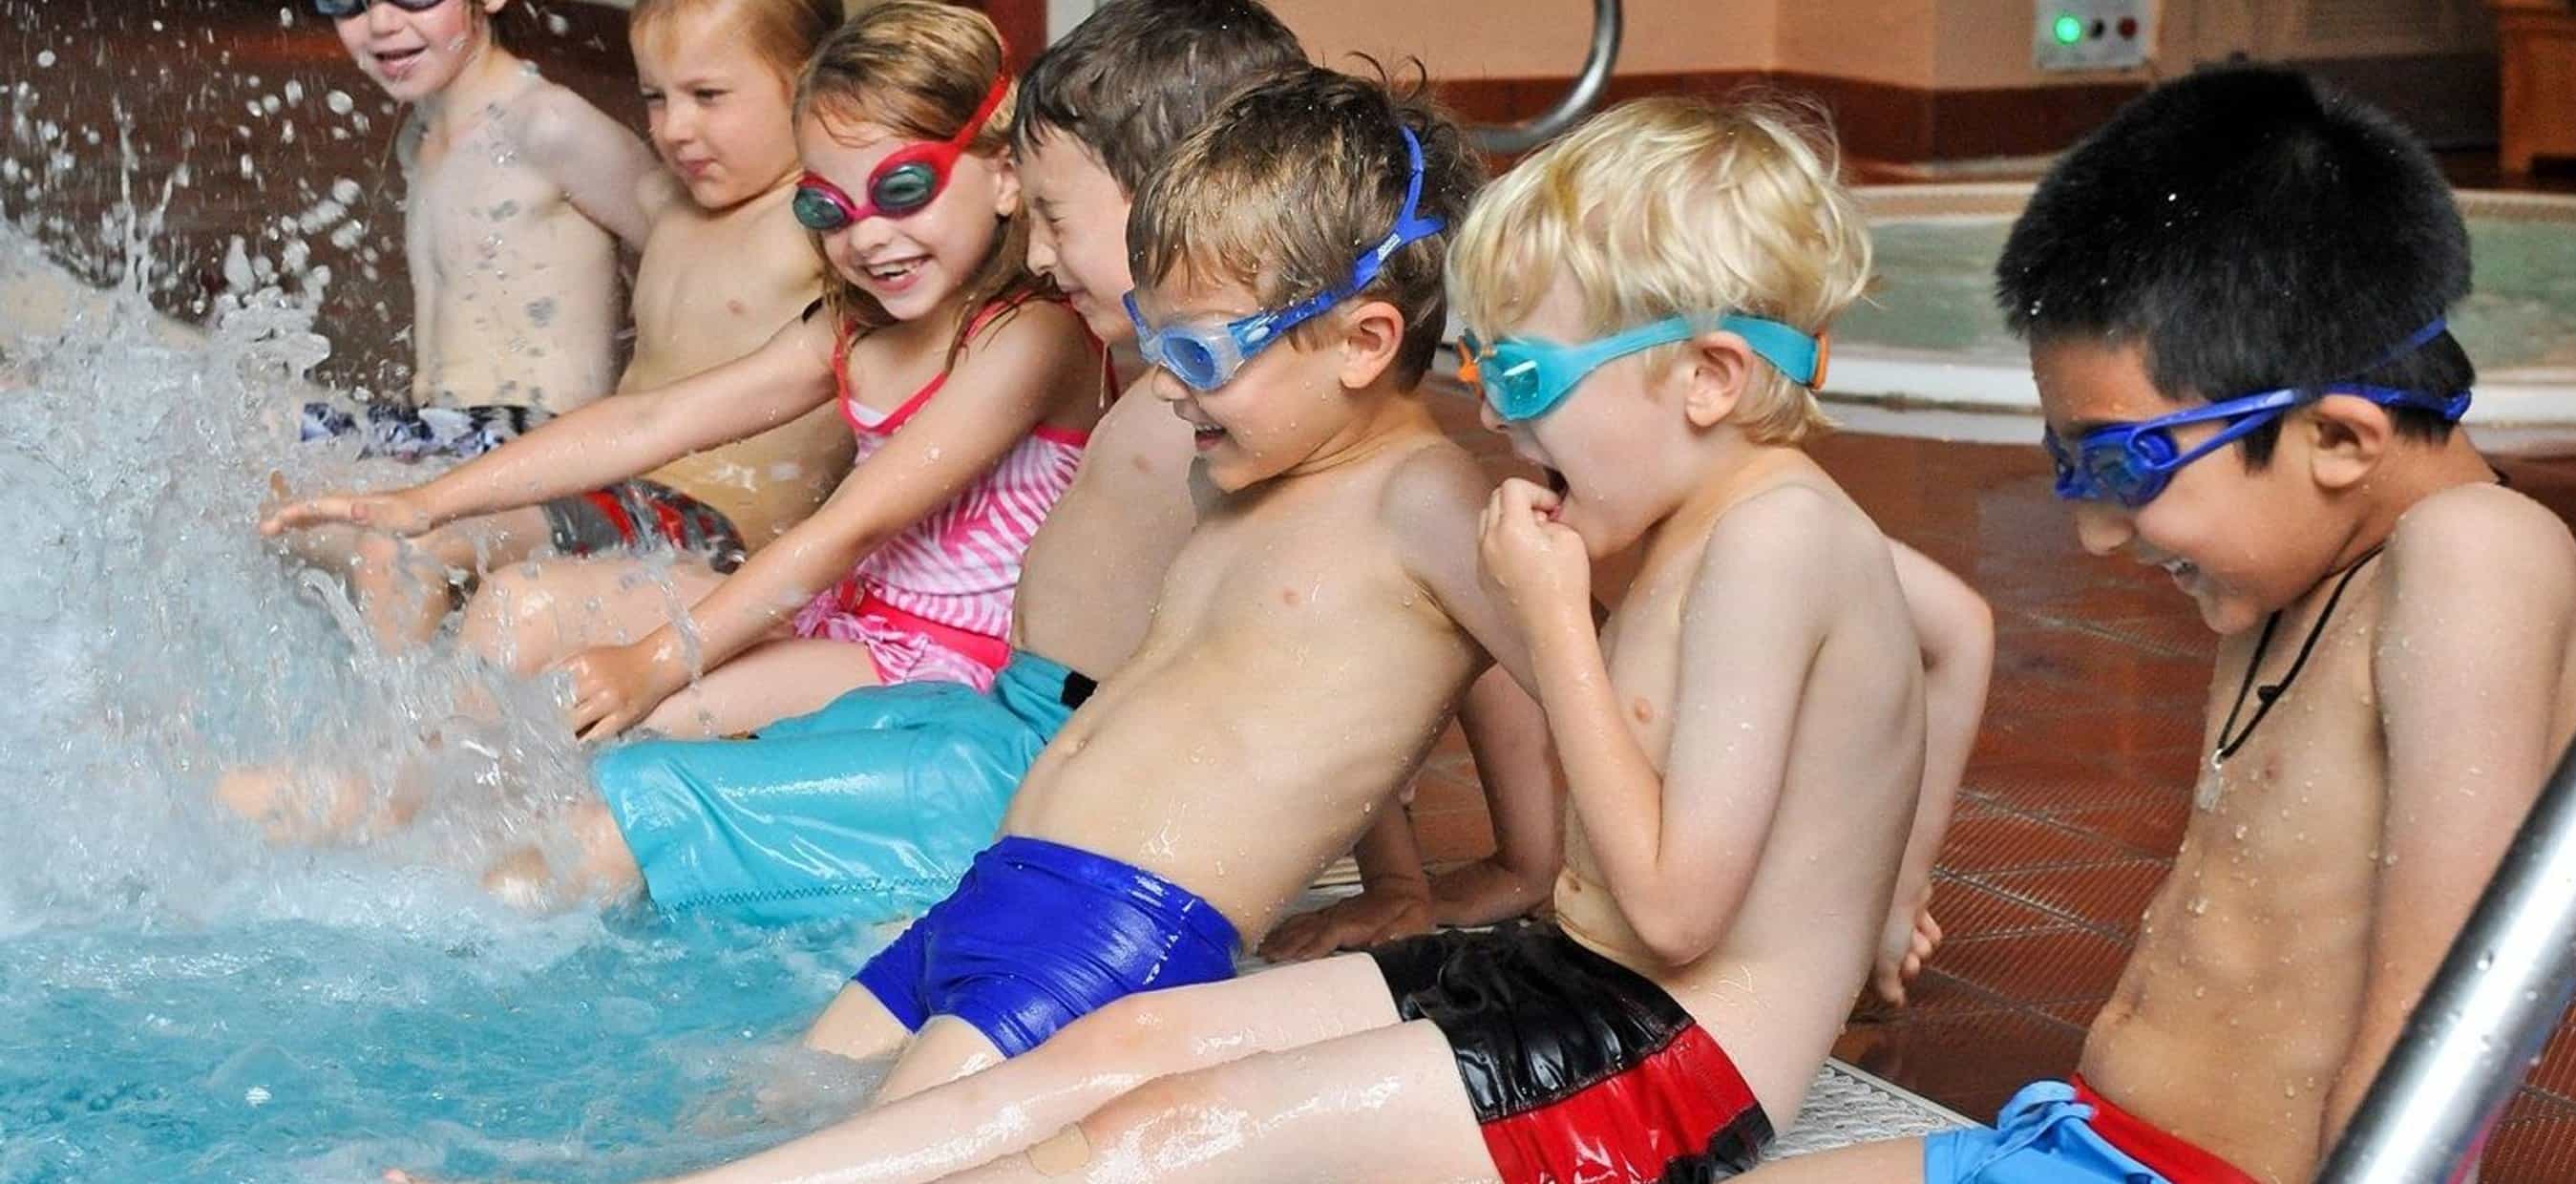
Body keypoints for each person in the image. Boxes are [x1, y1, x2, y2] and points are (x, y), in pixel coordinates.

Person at [653, 90, 1922, 1184]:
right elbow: (1949, 640)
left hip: (1666, 1058)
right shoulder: (1739, 523)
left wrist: (1549, 621)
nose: (1505, 429)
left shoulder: (1774, 535)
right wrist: (1885, 895)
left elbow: (1675, 909)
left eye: (1525, 383)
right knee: (1121, 1054)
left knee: (1166, 1131)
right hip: (1568, 976)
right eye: (1485, 376)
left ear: (1705, 376)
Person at [491, 0, 1560, 943]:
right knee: (623, 777)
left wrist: (1508, 863)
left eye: (1054, 215)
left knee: (615, 820)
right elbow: (1313, 643)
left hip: (1040, 775)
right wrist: (1404, 874)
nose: (1038, 255)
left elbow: (1446, 629)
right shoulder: (1202, 402)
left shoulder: (1226, 421)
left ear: (1186, 199)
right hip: (1002, 725)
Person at [1747, 66, 2576, 1184]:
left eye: (2122, 465)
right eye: (2069, 467)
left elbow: (2440, 1028)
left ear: (2340, 439)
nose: (2100, 534)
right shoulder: (2302, 564)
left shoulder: (2476, 555)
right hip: (2082, 1139)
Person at [263, 3, 1105, 749]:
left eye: (904, 187)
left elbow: (844, 529)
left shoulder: (1030, 339)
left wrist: (655, 663)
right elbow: (650, 422)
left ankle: (420, 831)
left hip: (941, 660)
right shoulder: (854, 325)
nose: (870, 236)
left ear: (1003, 174)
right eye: (828, 207)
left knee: (622, 725)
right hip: (840, 615)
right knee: (520, 613)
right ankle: (399, 805)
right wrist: (429, 502)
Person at [285, 0, 662, 648]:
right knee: (240, 452)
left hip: (529, 447)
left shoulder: (550, 125)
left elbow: (688, 252)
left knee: (389, 550)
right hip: (441, 435)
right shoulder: (420, 136)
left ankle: (396, 741)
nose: (379, 25)